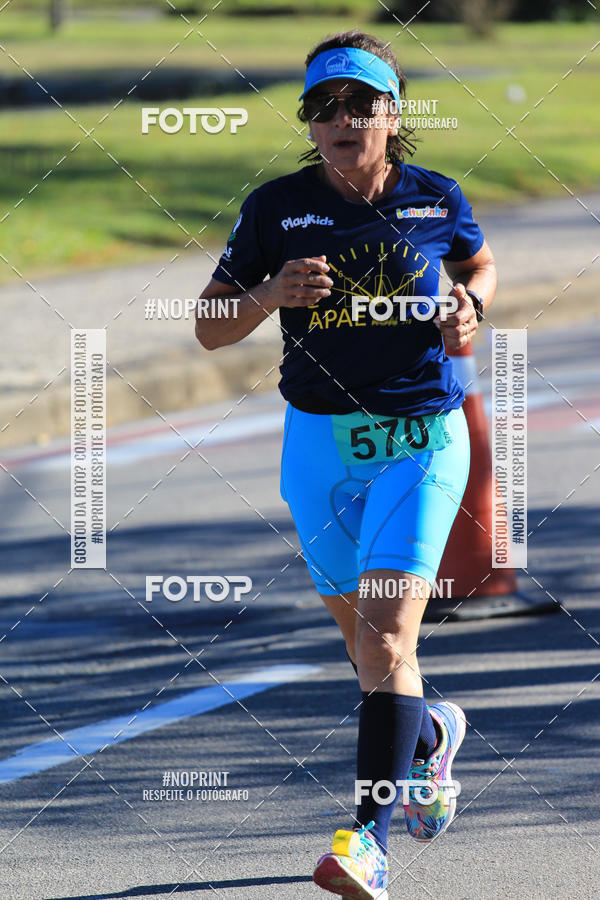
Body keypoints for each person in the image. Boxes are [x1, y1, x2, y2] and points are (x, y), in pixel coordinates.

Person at [196, 29, 497, 900]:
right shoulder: (276, 208)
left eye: (360, 104)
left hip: (422, 439)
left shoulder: (435, 198)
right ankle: (430, 736)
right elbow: (209, 327)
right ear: (309, 122)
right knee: (371, 656)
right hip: (319, 447)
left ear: (392, 115)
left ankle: (367, 840)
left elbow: (478, 265)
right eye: (323, 106)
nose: (341, 119)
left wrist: (471, 308)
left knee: (388, 636)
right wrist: (268, 294)